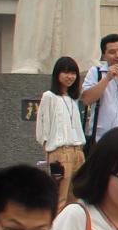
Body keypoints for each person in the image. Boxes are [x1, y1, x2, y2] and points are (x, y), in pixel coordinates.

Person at [37, 57, 87, 198]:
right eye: (66, 73)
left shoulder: (73, 98)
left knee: (76, 197)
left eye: (73, 73)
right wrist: (47, 151)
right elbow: (43, 126)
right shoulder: (49, 96)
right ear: (57, 74)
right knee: (59, 197)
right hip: (60, 152)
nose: (70, 77)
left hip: (78, 152)